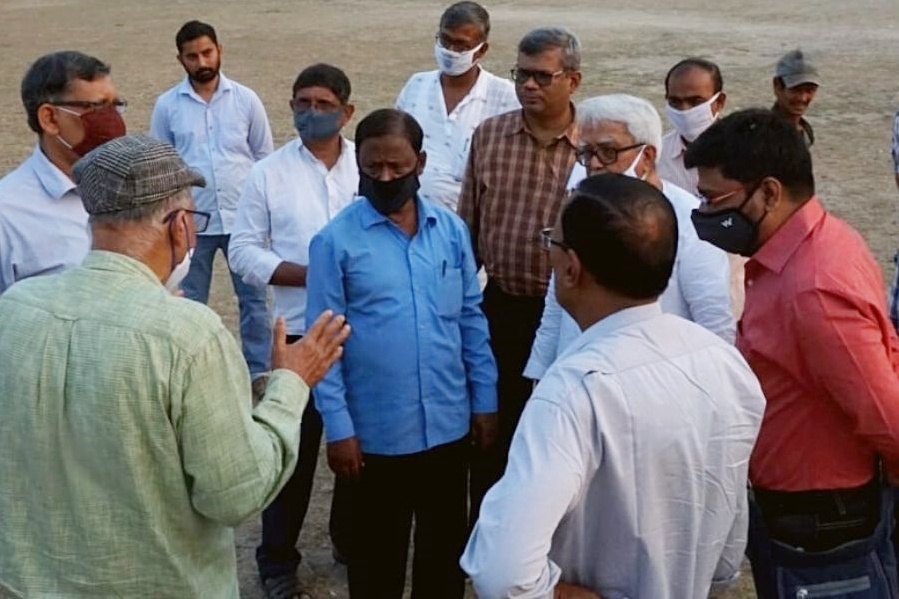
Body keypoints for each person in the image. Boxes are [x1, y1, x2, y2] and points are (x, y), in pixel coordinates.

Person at [0, 134, 350, 597]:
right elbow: (235, 493)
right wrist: (290, 384)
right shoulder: (187, 335)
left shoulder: (15, 307)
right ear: (181, 226)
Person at [461, 173, 765, 598]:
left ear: (571, 268)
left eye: (553, 240)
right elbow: (726, 559)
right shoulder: (724, 365)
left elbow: (502, 573)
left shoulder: (574, 391)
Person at [686, 108, 899, 598]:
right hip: (802, 514)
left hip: (824, 526)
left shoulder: (813, 289)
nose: (705, 213)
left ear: (769, 192)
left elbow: (885, 416)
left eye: (714, 199)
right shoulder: (807, 246)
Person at [306, 108, 498, 599]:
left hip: (449, 429)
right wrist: (341, 429)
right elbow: (323, 343)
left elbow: (471, 320)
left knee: (443, 555)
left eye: (397, 167)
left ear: (421, 162)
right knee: (376, 562)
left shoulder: (451, 231)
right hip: (375, 440)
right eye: (373, 169)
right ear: (360, 167)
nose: (386, 178)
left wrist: (485, 400)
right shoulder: (334, 242)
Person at [228, 63, 358, 599]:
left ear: (347, 111)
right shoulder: (268, 173)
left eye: (324, 104)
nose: (311, 113)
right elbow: (242, 250)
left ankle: (350, 541)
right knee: (293, 456)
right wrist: (311, 275)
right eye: (301, 102)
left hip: (358, 332)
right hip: (301, 335)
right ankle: (277, 562)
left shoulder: (366, 168)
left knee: (356, 448)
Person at [457, 26, 581, 509]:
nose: (528, 86)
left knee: (555, 431)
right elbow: (467, 227)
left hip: (570, 315)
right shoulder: (490, 137)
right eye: (521, 75)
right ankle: (486, 528)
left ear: (572, 80)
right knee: (490, 426)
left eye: (541, 77)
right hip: (500, 308)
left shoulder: (592, 147)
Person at [525, 94, 733, 380]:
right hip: (574, 374)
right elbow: (555, 304)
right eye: (586, 153)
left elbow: (714, 322)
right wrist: (539, 374)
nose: (594, 164)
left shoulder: (690, 220)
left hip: (655, 384)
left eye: (608, 152)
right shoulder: (579, 209)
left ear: (646, 157)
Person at [150, 20, 273, 394]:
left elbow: (263, 155)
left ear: (219, 49)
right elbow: (163, 164)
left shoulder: (246, 99)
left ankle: (259, 373)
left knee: (254, 301)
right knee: (191, 303)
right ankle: (197, 375)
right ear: (180, 60)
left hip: (243, 218)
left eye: (207, 52)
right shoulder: (167, 106)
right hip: (192, 220)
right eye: (192, 56)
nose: (201, 61)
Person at [0, 50, 126, 293]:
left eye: (116, 105)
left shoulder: (129, 186)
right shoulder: (7, 214)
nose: (112, 120)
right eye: (98, 107)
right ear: (50, 119)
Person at [395, 1, 518, 211]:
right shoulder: (417, 85)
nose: (451, 51)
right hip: (408, 213)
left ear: (481, 50)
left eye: (461, 45)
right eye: (445, 41)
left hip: (470, 221)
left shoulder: (505, 96)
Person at [661, 58, 746, 316]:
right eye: (675, 102)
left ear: (718, 102)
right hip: (673, 294)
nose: (684, 110)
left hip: (733, 290)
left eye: (696, 102)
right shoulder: (656, 156)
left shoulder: (746, 155)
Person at [772, 49, 819, 147]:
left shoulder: (805, 131)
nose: (803, 98)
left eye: (810, 91)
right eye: (795, 90)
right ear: (777, 86)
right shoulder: (764, 136)